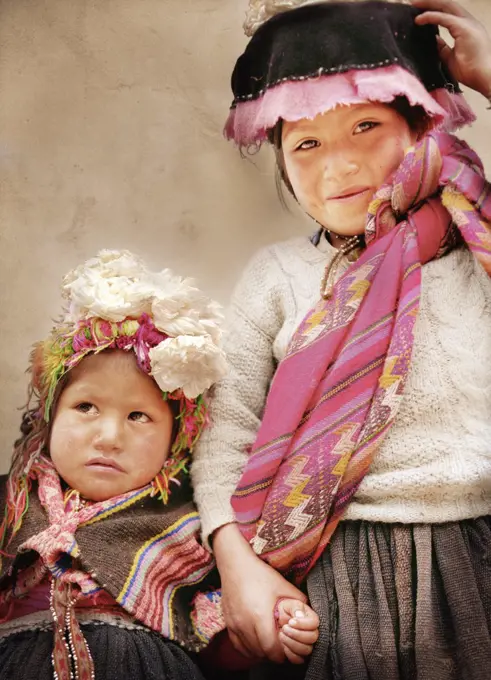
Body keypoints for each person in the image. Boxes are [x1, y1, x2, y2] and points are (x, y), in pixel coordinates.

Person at [191, 1, 491, 678]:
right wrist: (238, 570)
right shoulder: (277, 277)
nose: (340, 164)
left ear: (421, 126)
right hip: (333, 575)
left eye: (366, 126)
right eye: (306, 144)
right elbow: (226, 439)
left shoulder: (478, 248)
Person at [0, 249, 231, 680]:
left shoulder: (189, 524)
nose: (108, 437)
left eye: (138, 416)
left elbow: (222, 644)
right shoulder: (11, 504)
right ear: (50, 416)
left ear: (175, 437)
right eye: (86, 406)